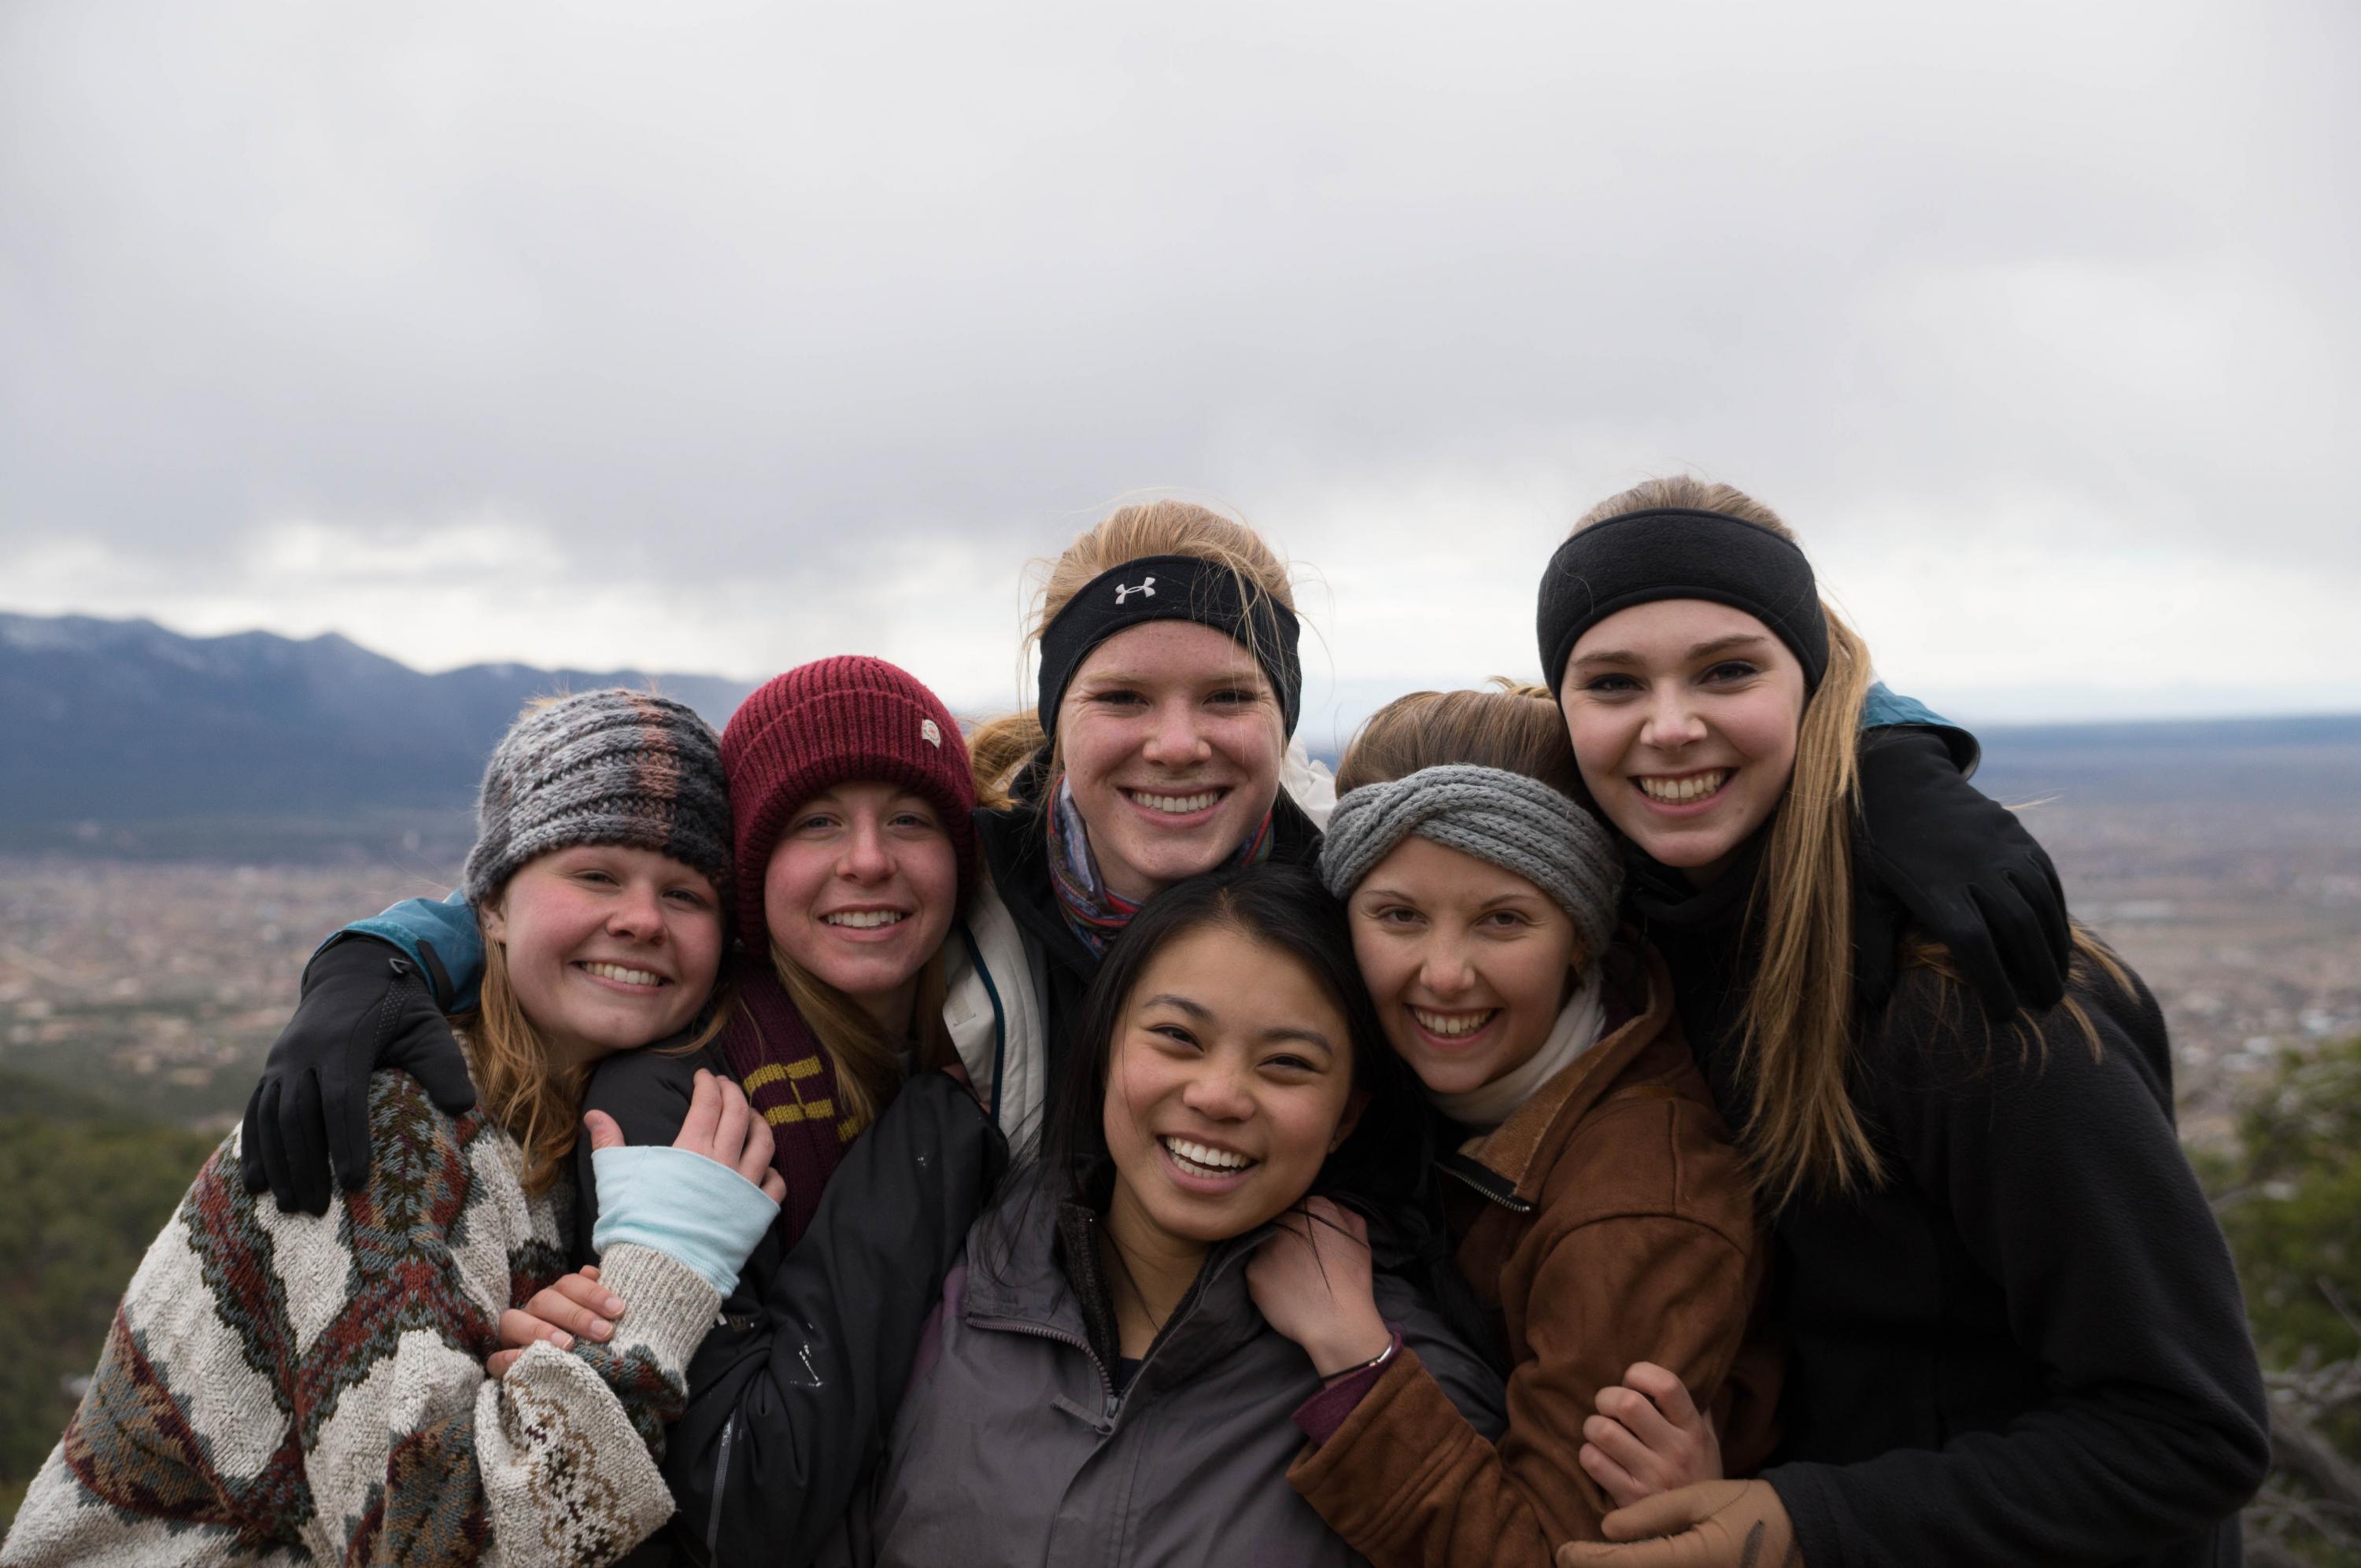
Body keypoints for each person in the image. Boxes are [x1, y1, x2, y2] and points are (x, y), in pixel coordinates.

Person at [239, 498, 2075, 1203]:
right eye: (1125, 695)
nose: (1177, 740)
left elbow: (1656, 720)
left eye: (1226, 695)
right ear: (1063, 711)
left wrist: (1891, 759)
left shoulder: (1364, 876)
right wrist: (386, 954)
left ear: (1285, 717)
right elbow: (640, 891)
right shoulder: (949, 863)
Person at [1532, 480, 2270, 1567]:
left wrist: (1798, 1522)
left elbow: (2187, 1433)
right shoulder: (1652, 934)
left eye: (1729, 670)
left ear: (1813, 687)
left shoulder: (1971, 1007)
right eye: (1612, 683)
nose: (1671, 724)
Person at [2, 690, 782, 1567]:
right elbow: (426, 1546)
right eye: (596, 874)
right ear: (489, 905)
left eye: (685, 891)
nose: (642, 918)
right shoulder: (400, 1120)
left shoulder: (561, 1124)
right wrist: (662, 1278)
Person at [835, 861, 1506, 1567]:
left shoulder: (1407, 1387)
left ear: (1347, 1116)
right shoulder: (952, 1287)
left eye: (1286, 1063)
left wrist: (1361, 1369)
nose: (1219, 1095)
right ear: (1103, 1045)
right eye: (1178, 1037)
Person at [1247, 684, 1774, 1565]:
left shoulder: (1635, 1212)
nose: (1444, 975)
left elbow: (1550, 1553)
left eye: (1503, 920)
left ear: (1581, 934)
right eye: (1399, 915)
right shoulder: (1408, 1079)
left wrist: (1357, 1358)